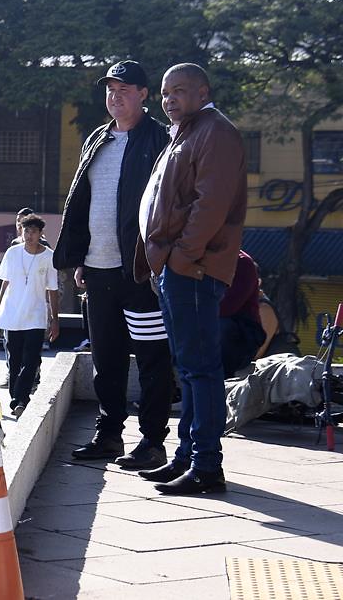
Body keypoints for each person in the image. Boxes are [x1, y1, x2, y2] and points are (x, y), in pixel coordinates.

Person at [53, 60, 176, 470]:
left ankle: (153, 442)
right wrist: (80, 257)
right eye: (110, 89)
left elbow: (173, 203)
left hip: (142, 271)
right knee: (106, 358)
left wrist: (163, 260)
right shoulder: (97, 139)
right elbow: (83, 203)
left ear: (144, 94)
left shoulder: (162, 139)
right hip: (98, 268)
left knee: (153, 357)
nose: (115, 96)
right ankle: (108, 436)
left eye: (125, 89)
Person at [135, 63, 247, 495]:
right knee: (189, 368)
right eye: (165, 93)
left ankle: (206, 466)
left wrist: (180, 259)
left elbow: (210, 205)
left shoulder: (215, 131)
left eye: (178, 91)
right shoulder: (185, 131)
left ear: (203, 92)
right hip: (176, 268)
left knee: (201, 370)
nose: (169, 99)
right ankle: (186, 456)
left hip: (193, 269)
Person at [0, 214, 59, 419]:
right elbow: (5, 282)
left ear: (40, 234)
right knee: (14, 360)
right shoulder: (12, 253)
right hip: (12, 315)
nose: (29, 235)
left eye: (33, 232)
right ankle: (16, 399)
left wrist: (55, 319)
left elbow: (53, 290)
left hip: (36, 316)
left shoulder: (49, 256)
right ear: (21, 231)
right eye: (26, 231)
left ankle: (21, 400)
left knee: (31, 360)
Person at [219, 250, 266, 378]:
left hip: (243, 335)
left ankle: (222, 381)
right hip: (207, 325)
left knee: (221, 326)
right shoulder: (194, 257)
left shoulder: (242, 263)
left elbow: (226, 308)